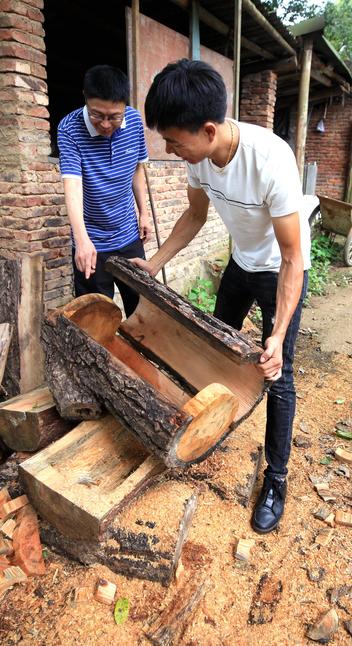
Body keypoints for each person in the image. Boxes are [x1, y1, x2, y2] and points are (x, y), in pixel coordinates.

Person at [134, 59, 310, 534]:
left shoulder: (270, 160)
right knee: (216, 346)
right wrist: (153, 262)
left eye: (175, 141)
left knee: (278, 373)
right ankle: (213, 424)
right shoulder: (202, 161)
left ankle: (276, 478)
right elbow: (193, 218)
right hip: (241, 265)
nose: (171, 151)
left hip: (279, 272)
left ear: (209, 130)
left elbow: (293, 258)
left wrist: (274, 335)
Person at [57, 64, 151, 317]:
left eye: (114, 116)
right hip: (92, 240)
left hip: (129, 234)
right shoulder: (69, 129)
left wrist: (143, 213)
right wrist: (82, 241)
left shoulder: (133, 121)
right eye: (98, 115)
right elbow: (73, 185)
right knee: (94, 313)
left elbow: (136, 170)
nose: (107, 124)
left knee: (142, 307)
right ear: (85, 99)